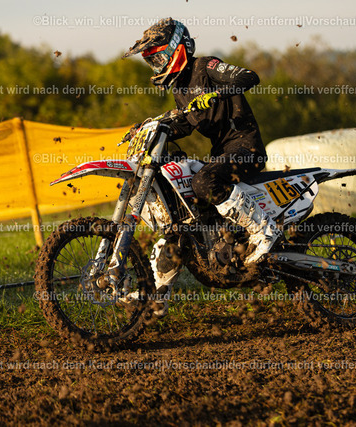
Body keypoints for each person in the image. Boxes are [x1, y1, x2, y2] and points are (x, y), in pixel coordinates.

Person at [122, 18, 282, 305]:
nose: (156, 66)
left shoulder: (206, 66)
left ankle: (264, 230)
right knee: (183, 221)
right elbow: (186, 123)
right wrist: (153, 128)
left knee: (203, 181)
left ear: (176, 50)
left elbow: (249, 77)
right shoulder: (180, 89)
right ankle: (157, 297)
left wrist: (215, 93)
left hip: (246, 147)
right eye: (151, 62)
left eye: (158, 58)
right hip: (222, 154)